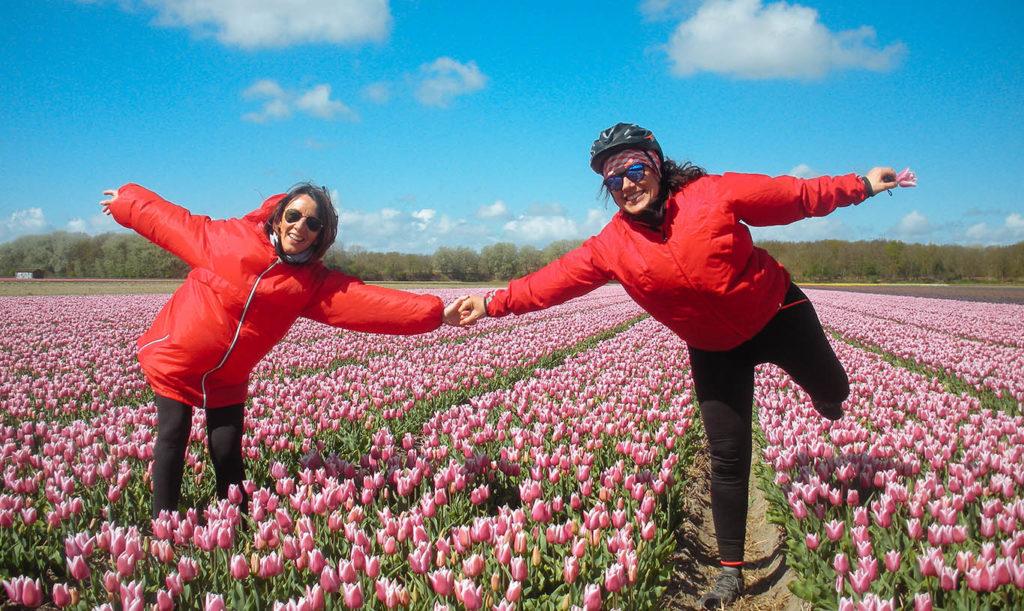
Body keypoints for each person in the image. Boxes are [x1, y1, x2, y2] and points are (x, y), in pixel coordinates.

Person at [457, 123, 904, 608]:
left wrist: (861, 185)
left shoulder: (713, 194)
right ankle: (730, 573)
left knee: (834, 387)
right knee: (727, 458)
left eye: (634, 169)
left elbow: (791, 196)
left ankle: (826, 394)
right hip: (714, 349)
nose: (626, 184)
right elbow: (552, 282)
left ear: (655, 164)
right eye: (613, 180)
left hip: (777, 314)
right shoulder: (612, 246)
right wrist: (491, 302)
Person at [100, 182, 465, 520]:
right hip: (176, 359)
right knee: (173, 435)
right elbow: (172, 223)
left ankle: (238, 527)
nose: (299, 227)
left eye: (313, 223)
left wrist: (435, 313)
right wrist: (127, 203)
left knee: (227, 450)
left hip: (228, 376)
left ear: (322, 236)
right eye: (294, 215)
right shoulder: (226, 239)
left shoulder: (309, 284)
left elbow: (369, 303)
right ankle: (164, 529)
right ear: (278, 217)